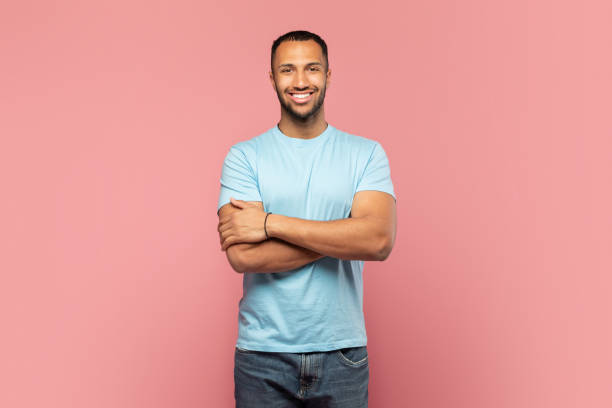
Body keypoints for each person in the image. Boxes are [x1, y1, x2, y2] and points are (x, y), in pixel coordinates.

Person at [216, 30, 397, 408]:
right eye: (287, 70)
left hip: (343, 353)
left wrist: (269, 223)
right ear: (272, 78)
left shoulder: (365, 154)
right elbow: (243, 257)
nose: (300, 81)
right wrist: (344, 234)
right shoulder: (244, 157)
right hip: (261, 356)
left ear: (329, 75)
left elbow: (377, 241)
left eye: (312, 68)